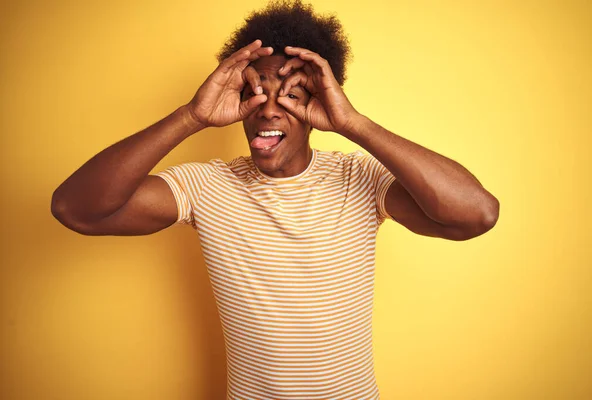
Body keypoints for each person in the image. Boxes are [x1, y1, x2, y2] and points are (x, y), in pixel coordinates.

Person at [51, 0, 499, 398]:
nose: (268, 109)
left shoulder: (358, 178)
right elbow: (77, 209)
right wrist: (191, 117)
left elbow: (476, 214)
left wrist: (353, 124)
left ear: (319, 107)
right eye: (255, 94)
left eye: (291, 96)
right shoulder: (206, 188)